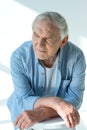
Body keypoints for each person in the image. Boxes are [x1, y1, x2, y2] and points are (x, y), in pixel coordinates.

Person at [7, 11, 86, 130]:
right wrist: (55, 102)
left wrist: (44, 112)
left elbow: (75, 98)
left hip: (58, 117)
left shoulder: (76, 57)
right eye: (36, 35)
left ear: (63, 41)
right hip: (25, 114)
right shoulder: (19, 57)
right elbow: (24, 99)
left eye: (48, 38)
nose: (40, 45)